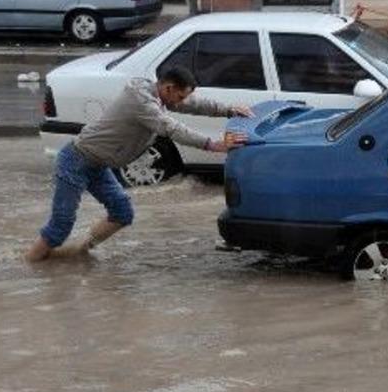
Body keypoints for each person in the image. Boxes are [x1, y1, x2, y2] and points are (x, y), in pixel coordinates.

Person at [25, 66, 252, 262]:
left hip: (99, 164)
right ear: (168, 88)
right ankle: (29, 265)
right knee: (61, 225)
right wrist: (213, 145)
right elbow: (171, 128)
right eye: (181, 96)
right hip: (77, 159)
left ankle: (78, 253)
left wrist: (228, 109)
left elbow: (195, 104)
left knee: (122, 213)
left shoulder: (161, 97)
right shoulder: (142, 101)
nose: (182, 102)